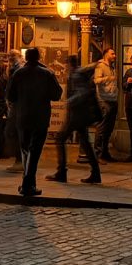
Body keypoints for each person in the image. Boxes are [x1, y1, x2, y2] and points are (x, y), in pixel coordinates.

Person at [6, 48, 62, 198]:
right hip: (40, 118)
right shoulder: (47, 73)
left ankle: (28, 184)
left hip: (22, 117)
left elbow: (10, 95)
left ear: (26, 57)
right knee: (34, 152)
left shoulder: (18, 74)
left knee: (26, 151)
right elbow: (57, 94)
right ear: (38, 57)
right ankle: (28, 185)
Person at [47, 56, 102, 184]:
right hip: (80, 115)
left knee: (60, 139)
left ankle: (62, 171)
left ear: (69, 64)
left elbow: (81, 93)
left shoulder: (76, 75)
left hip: (77, 115)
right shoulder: (78, 73)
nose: (65, 67)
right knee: (86, 143)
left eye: (66, 65)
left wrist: (69, 101)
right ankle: (95, 173)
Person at [93, 47, 118, 162]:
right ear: (106, 54)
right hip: (104, 100)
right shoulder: (100, 66)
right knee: (102, 127)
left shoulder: (112, 67)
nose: (114, 55)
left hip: (113, 99)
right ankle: (97, 154)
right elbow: (96, 80)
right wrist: (108, 78)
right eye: (112, 54)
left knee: (109, 128)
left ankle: (105, 152)